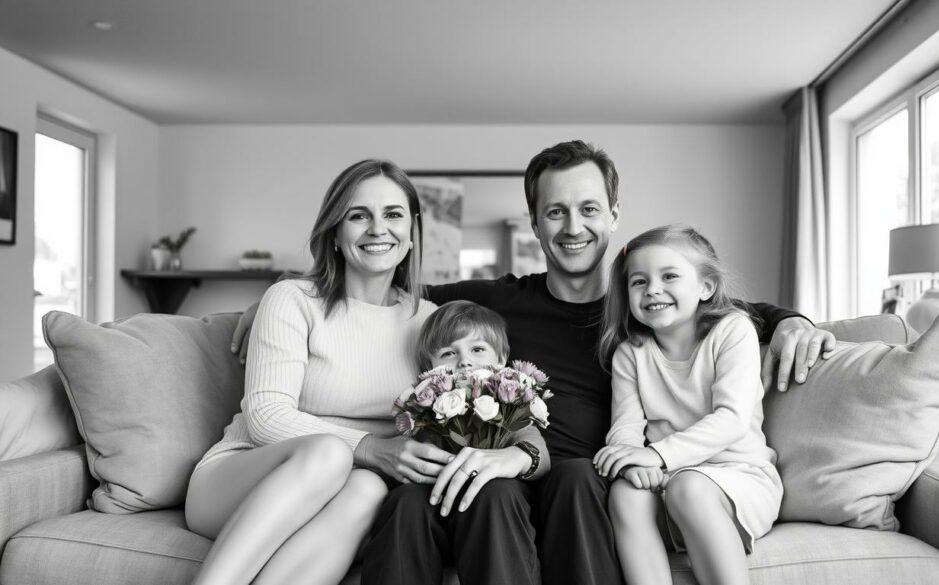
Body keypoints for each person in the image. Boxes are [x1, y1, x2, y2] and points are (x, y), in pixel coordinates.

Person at [231, 140, 836, 585]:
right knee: (427, 497)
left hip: (586, 483)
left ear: (613, 215)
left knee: (574, 475)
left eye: (589, 209)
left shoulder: (644, 312)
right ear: (535, 224)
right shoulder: (497, 301)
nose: (574, 227)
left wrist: (792, 322)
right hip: (507, 476)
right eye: (556, 212)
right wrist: (270, 306)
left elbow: (723, 306)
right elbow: (392, 296)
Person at [184, 159, 454, 585]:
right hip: (242, 477)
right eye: (358, 215)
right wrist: (367, 445)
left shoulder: (432, 321)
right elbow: (264, 416)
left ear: (412, 232)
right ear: (334, 232)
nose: (377, 229)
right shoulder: (291, 300)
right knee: (331, 453)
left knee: (369, 488)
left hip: (349, 488)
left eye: (393, 214)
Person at [595, 225, 781, 585]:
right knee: (625, 493)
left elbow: (732, 419)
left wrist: (659, 455)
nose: (653, 290)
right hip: (671, 482)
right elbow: (626, 425)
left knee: (689, 487)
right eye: (638, 281)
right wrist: (629, 459)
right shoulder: (630, 354)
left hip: (740, 480)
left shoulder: (732, 331)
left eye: (669, 276)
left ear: (705, 287)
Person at [380, 299, 553, 583]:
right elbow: (415, 453)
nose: (464, 361)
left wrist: (518, 457)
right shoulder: (426, 408)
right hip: (437, 506)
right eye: (448, 353)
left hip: (496, 512)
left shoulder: (510, 404)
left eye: (477, 349)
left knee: (496, 492)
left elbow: (538, 452)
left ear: (500, 359)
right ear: (429, 368)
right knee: (405, 501)